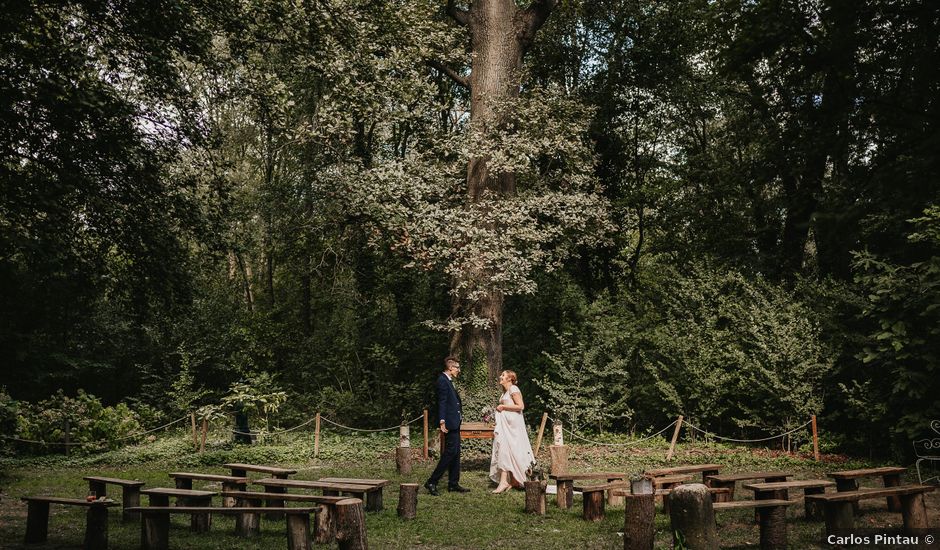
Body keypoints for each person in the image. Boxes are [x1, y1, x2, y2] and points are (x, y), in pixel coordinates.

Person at [424, 356, 470, 495]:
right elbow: (442, 402)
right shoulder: (442, 381)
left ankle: (453, 483)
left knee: (455, 453)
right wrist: (442, 421)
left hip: (455, 422)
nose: (459, 370)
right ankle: (432, 481)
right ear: (450, 367)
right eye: (457, 367)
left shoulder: (448, 381)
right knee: (450, 452)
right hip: (449, 422)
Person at [489, 369, 535, 494]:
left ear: (509, 378)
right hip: (506, 425)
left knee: (511, 449)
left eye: (503, 375)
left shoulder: (514, 389)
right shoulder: (505, 392)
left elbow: (520, 406)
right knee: (506, 450)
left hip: (513, 427)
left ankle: (505, 481)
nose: (500, 376)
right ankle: (512, 480)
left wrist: (503, 407)